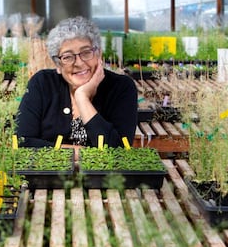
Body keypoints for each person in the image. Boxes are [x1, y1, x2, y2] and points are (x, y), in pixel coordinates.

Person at [15, 16, 137, 148]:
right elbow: (22, 142)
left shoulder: (121, 87)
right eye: (68, 57)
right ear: (58, 65)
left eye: (86, 52)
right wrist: (79, 153)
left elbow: (118, 150)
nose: (79, 63)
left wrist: (82, 97)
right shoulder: (42, 83)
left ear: (99, 54)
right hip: (47, 170)